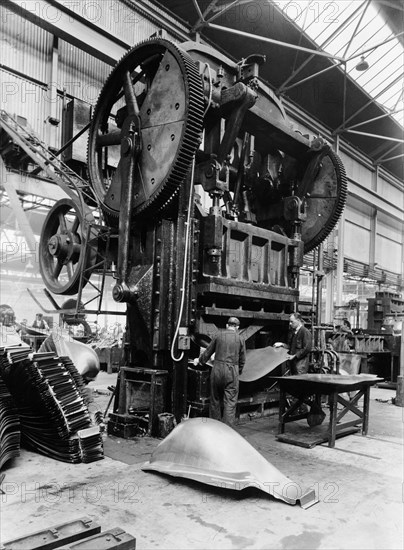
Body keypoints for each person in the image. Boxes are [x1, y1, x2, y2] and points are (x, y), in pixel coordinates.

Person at [193, 317, 246, 426]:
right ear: (237, 327)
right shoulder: (240, 339)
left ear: (227, 325)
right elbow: (242, 360)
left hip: (217, 370)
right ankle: (226, 432)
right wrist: (238, 371)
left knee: (215, 400)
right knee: (230, 404)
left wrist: (199, 361)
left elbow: (208, 352)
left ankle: (214, 429)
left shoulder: (218, 335)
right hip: (232, 372)